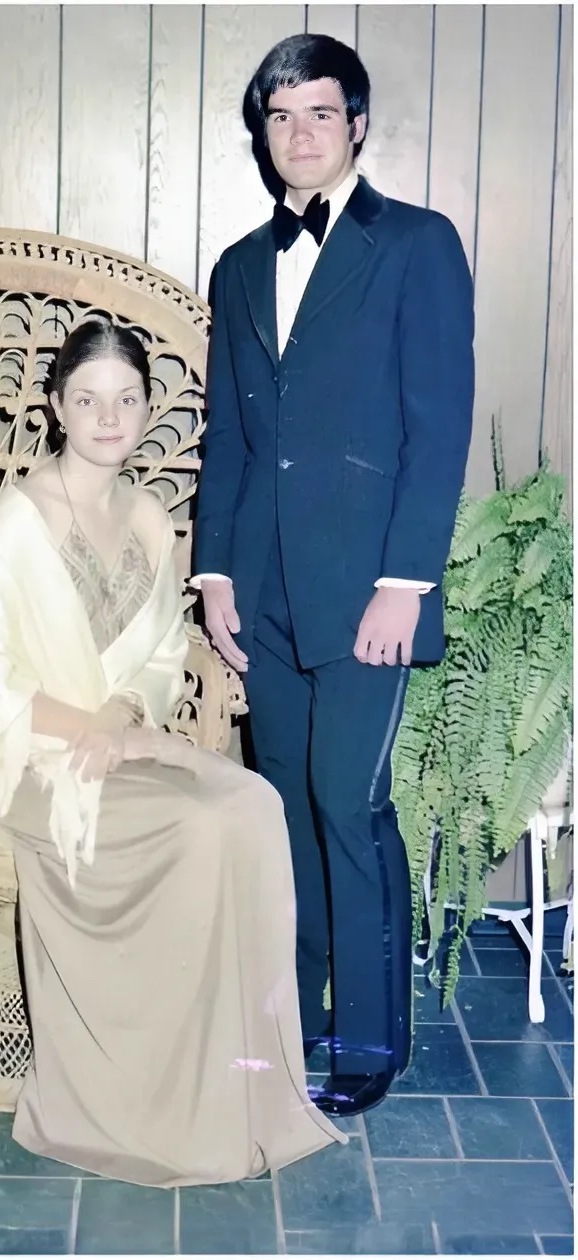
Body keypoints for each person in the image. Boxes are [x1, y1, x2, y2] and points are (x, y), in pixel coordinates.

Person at [0, 320, 345, 1186]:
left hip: (125, 741)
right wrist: (89, 729)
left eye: (125, 401)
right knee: (203, 828)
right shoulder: (18, 521)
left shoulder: (148, 517)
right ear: (56, 407)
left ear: (144, 412)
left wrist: (129, 713)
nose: (107, 417)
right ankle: (156, 1098)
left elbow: (167, 652)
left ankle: (238, 1076)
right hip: (40, 763)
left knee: (255, 805)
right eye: (87, 400)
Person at [195, 33, 474, 1117]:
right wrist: (214, 571)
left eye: (320, 113)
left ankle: (368, 1037)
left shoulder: (416, 245)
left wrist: (404, 584)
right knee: (288, 811)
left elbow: (436, 427)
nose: (300, 134)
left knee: (345, 805)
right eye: (280, 117)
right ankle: (302, 1020)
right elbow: (231, 439)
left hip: (368, 591)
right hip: (263, 591)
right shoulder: (237, 265)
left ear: (357, 124)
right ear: (262, 135)